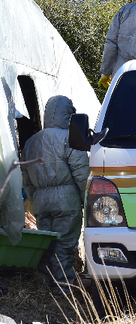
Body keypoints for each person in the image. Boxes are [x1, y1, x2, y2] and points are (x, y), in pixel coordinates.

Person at [21, 95, 90, 292]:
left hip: (41, 200)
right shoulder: (70, 138)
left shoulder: (31, 142)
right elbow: (82, 173)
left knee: (47, 244)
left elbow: (26, 178)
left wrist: (35, 200)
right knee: (65, 246)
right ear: (68, 114)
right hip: (66, 199)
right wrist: (87, 199)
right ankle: (62, 288)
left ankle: (44, 286)